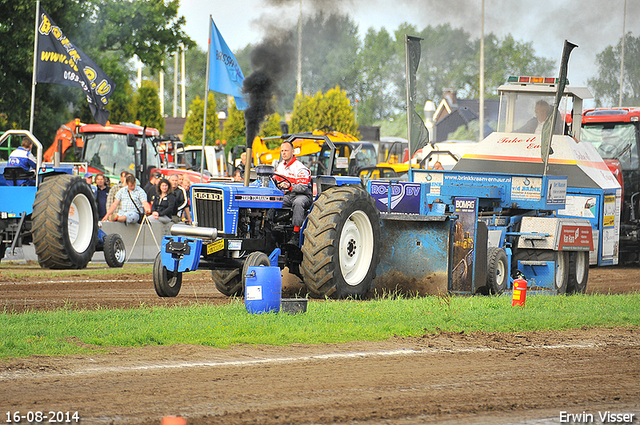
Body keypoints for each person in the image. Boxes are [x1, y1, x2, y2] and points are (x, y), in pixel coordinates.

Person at [274, 140, 312, 245]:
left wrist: (288, 187)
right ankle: (270, 226)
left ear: (293, 151)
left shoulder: (300, 168)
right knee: (273, 200)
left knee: (298, 202)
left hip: (302, 195)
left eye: (286, 150)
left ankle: (296, 234)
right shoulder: (280, 166)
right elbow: (275, 179)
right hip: (288, 195)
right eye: (282, 151)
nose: (284, 153)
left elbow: (303, 187)